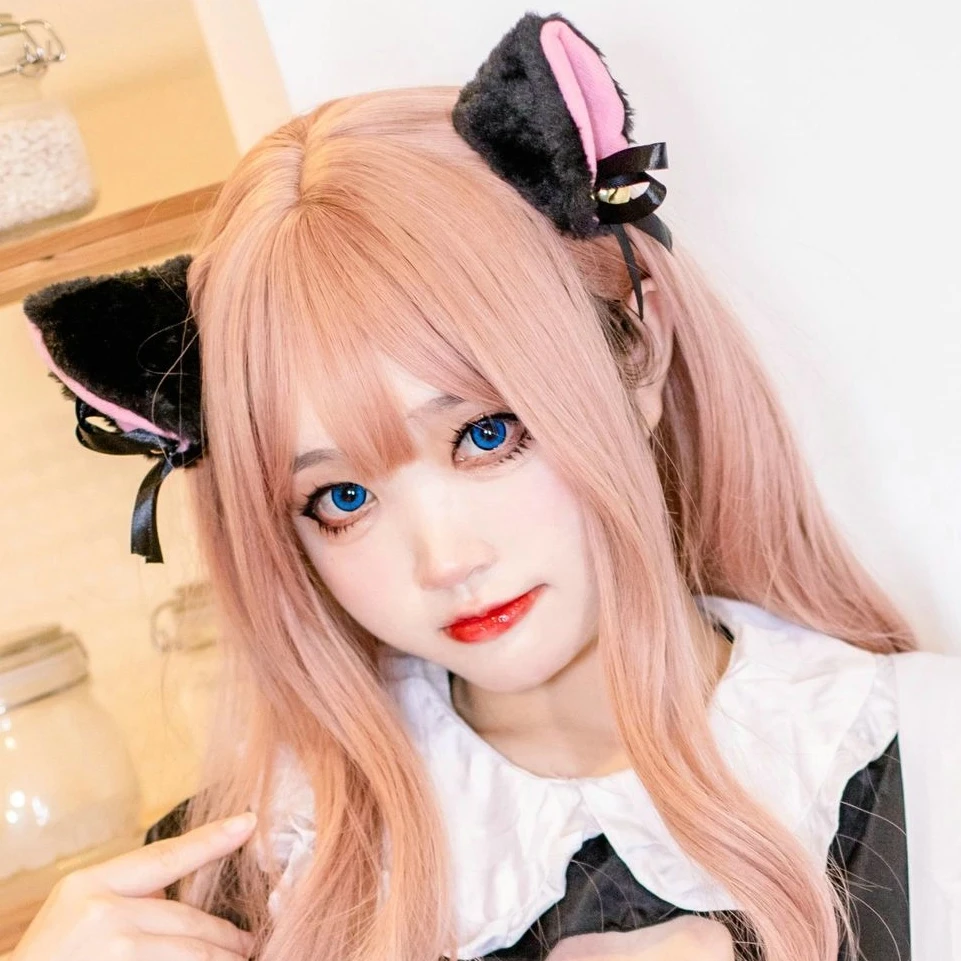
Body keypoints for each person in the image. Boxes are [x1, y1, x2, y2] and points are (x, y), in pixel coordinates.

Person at [11, 12, 961, 961]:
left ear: (638, 351)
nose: (445, 559)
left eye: (485, 434)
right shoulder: (232, 886)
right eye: (342, 498)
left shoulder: (923, 763)